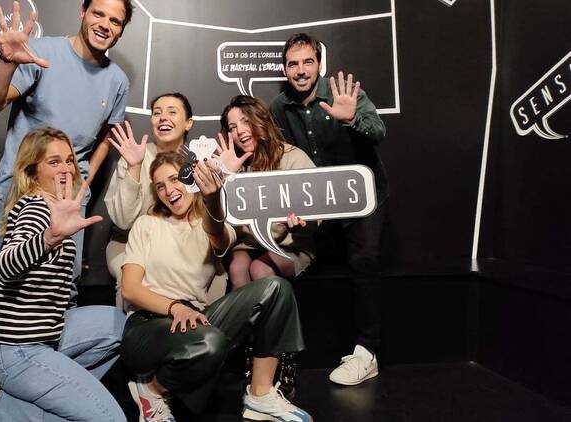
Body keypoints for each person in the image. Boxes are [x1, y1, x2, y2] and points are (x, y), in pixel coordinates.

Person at [119, 152, 312, 422]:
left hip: (194, 318)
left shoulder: (213, 223)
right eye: (160, 186)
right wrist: (175, 308)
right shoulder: (147, 224)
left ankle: (260, 395)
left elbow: (217, 234)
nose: (169, 190)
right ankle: (151, 390)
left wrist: (211, 199)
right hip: (147, 326)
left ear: (191, 179)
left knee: (276, 289)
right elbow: (130, 289)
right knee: (210, 341)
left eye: (175, 179)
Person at [0, 128, 126, 422]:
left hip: (47, 333)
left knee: (120, 327)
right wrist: (48, 238)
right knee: (110, 418)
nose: (65, 169)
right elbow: (6, 264)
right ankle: (0, 408)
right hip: (16, 348)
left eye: (69, 160)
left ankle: (12, 399)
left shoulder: (58, 208)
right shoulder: (37, 208)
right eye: (54, 162)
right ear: (34, 171)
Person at [0, 0, 133, 296]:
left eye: (115, 21)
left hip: (70, 195)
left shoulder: (118, 81)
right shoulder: (42, 52)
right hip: (19, 189)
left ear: (121, 30)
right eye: (98, 13)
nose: (104, 24)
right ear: (83, 12)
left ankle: (57, 343)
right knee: (6, 282)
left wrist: (85, 181)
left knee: (63, 286)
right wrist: (7, 62)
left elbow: (108, 135)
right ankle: (8, 344)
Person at [270, 32, 388, 386]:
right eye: (293, 64)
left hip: (361, 196)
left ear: (319, 64)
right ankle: (276, 360)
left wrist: (351, 119)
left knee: (364, 260)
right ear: (285, 70)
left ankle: (367, 353)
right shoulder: (279, 107)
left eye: (308, 62)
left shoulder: (343, 93)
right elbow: (282, 160)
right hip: (317, 203)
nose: (301, 70)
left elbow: (379, 132)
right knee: (286, 256)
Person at [103, 93, 202, 307]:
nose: (163, 117)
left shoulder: (198, 161)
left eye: (172, 112)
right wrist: (134, 168)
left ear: (188, 123)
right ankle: (136, 333)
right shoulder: (134, 156)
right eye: (157, 113)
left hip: (182, 242)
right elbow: (123, 221)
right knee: (138, 280)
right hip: (128, 243)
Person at [218, 95, 316, 290]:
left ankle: (274, 319)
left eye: (246, 121)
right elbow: (221, 220)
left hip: (290, 243)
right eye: (232, 127)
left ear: (260, 119)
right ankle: (248, 320)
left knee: (260, 269)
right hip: (250, 243)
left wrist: (300, 223)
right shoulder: (233, 165)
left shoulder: (292, 157)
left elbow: (318, 209)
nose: (240, 131)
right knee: (238, 268)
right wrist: (226, 176)